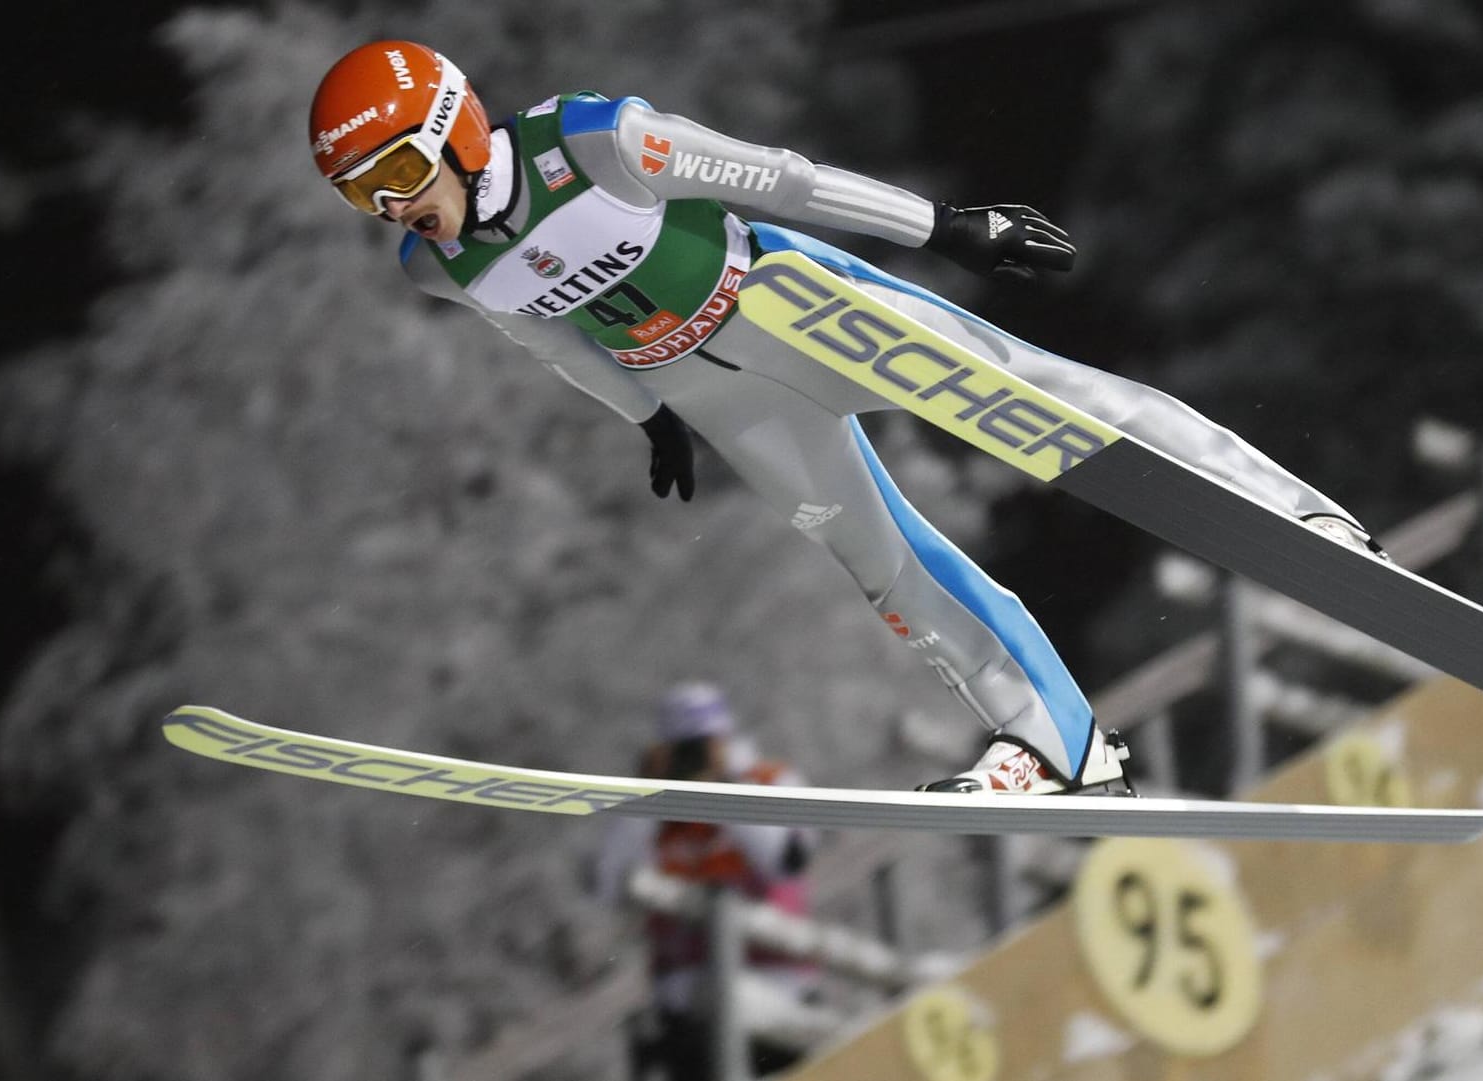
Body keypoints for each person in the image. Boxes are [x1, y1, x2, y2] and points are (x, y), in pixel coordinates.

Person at [308, 40, 1383, 795]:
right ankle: (1055, 746)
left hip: (789, 304)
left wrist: (948, 226)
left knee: (1036, 397)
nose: (397, 205)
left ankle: (1291, 515)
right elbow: (550, 340)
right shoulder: (437, 269)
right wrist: (646, 418)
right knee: (887, 570)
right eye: (365, 195)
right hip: (710, 391)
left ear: (453, 129)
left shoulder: (593, 141)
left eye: (399, 169)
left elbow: (783, 179)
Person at [594, 683, 818, 1080]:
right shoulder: (653, 812)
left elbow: (786, 863)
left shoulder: (768, 780)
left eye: (702, 745)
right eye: (684, 748)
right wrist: (645, 800)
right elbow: (609, 889)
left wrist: (728, 791)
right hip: (687, 1004)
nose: (694, 758)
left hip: (780, 986)